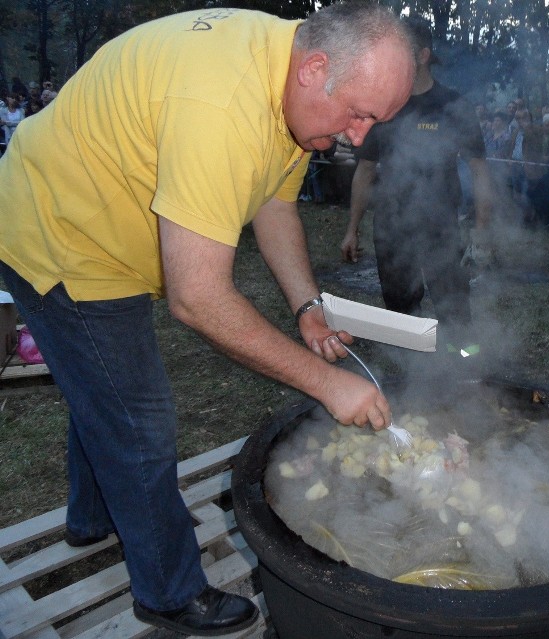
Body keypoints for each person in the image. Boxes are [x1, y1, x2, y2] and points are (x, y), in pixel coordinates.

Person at [0, 4, 415, 636]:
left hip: (99, 220)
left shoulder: (289, 79)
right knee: (140, 418)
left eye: (374, 122)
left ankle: (95, 517)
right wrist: (330, 383)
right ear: (316, 69)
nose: (360, 137)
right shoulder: (222, 104)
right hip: (61, 230)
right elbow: (197, 299)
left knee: (105, 392)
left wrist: (308, 307)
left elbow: (274, 202)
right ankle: (168, 593)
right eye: (359, 114)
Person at [339, 15, 491, 352]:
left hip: (440, 226)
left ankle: (462, 371)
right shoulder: (384, 106)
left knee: (453, 308)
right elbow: (365, 170)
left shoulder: (454, 107)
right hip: (391, 227)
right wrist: (352, 228)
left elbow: (479, 171)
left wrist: (481, 230)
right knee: (400, 312)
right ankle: (412, 381)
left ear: (422, 56)